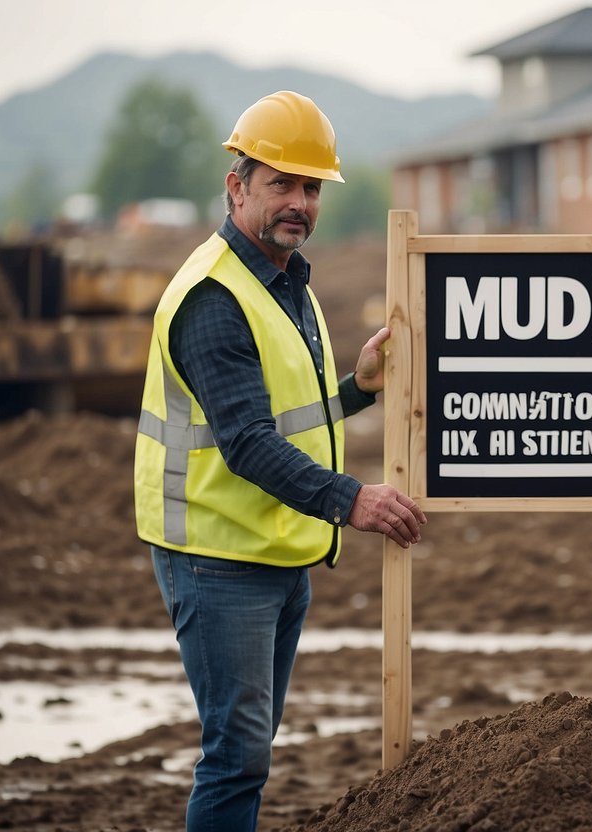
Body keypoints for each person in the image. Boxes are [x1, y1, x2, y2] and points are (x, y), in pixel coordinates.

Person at [133, 90, 427, 830]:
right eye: (281, 185)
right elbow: (246, 443)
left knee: (249, 748)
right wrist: (350, 499)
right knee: (236, 756)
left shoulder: (285, 280)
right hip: (215, 554)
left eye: (310, 188)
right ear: (237, 187)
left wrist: (355, 392)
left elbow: (287, 419)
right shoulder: (214, 298)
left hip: (272, 547)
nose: (299, 202)